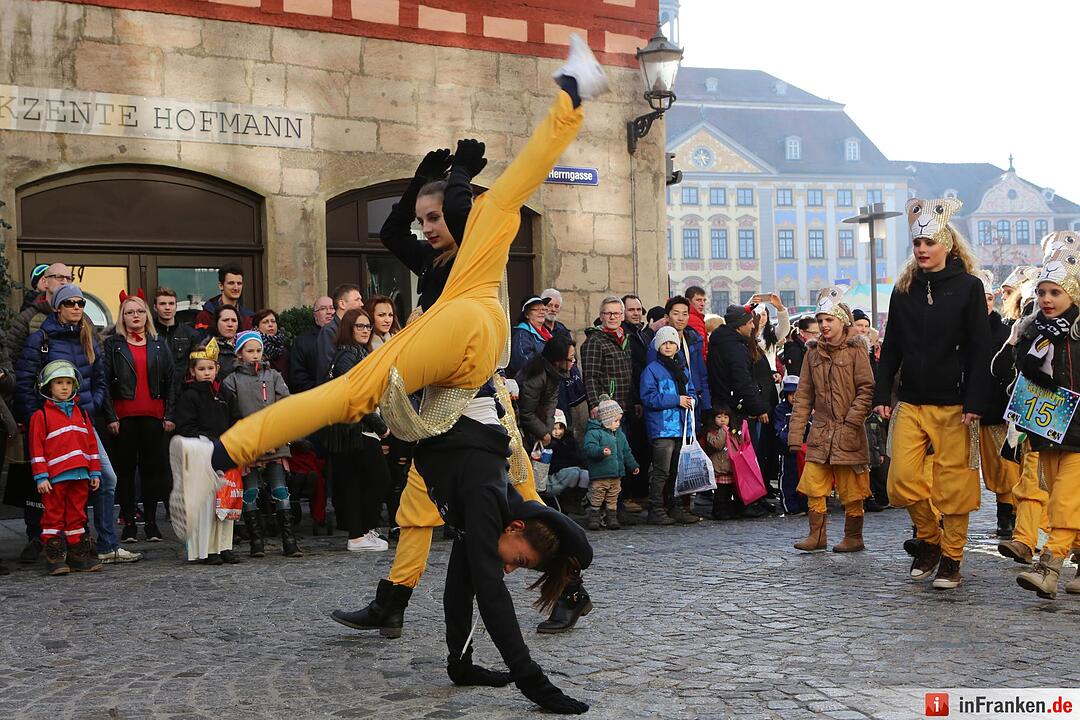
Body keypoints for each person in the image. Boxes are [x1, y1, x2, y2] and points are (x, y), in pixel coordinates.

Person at [178, 45, 604, 710]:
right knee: (363, 409)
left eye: (437, 218)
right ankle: (242, 462)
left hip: (467, 376)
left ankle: (231, 452)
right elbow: (482, 580)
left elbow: (524, 169)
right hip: (464, 361)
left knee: (358, 400)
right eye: (521, 559)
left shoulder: (483, 233)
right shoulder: (474, 245)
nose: (429, 228)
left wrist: (567, 101)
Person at [873, 198, 991, 590]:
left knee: (954, 487)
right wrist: (882, 394)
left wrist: (975, 401)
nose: (922, 249)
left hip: (956, 404)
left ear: (948, 246)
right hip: (911, 399)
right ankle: (930, 538)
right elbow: (891, 346)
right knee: (900, 481)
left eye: (929, 242)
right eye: (917, 243)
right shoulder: (904, 289)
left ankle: (952, 558)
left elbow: (980, 348)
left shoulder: (969, 288)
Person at [15, 284, 124, 564]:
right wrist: (37, 419)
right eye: (71, 303)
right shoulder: (41, 338)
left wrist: (92, 406)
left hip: (82, 421)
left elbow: (100, 378)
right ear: (58, 307)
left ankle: (104, 542)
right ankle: (57, 547)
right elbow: (25, 383)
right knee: (53, 490)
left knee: (106, 478)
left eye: (81, 303)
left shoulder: (89, 335)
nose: (77, 308)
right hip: (51, 425)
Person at [1008, 246, 1080, 599]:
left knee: (1067, 499)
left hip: (1079, 429)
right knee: (1059, 498)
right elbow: (1024, 372)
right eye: (1041, 292)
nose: (1047, 299)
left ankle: (1048, 568)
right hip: (1048, 430)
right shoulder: (1031, 330)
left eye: (1055, 292)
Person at [787, 293, 875, 553]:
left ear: (842, 321)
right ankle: (817, 535)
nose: (824, 325)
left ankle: (853, 536)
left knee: (852, 489)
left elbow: (866, 389)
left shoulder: (857, 350)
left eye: (829, 319)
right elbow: (803, 396)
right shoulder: (812, 354)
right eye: (821, 320)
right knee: (814, 483)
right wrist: (795, 436)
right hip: (821, 432)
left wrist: (851, 421)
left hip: (849, 431)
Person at [104, 292, 175, 543]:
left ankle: (152, 522)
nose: (135, 316)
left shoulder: (158, 343)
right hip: (123, 417)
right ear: (122, 317)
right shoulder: (113, 344)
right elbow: (104, 383)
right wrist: (110, 415)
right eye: (130, 312)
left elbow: (171, 381)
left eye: (140, 311)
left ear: (147, 315)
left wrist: (169, 414)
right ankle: (129, 523)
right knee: (125, 472)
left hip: (154, 415)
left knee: (151, 471)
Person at [222, 330, 300, 558]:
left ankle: (289, 540)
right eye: (250, 351)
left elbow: (284, 404)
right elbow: (233, 415)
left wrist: (274, 436)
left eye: (258, 350)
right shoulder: (231, 380)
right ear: (239, 354)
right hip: (249, 445)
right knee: (251, 491)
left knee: (279, 489)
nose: (255, 355)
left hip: (275, 442)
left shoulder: (273, 375)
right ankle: (256, 541)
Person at [326, 308, 392, 552]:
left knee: (356, 483)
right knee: (379, 479)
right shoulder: (347, 357)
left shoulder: (356, 354)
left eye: (367, 326)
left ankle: (358, 535)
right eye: (360, 326)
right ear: (349, 329)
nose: (365, 330)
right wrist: (380, 426)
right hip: (356, 428)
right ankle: (362, 531)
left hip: (354, 428)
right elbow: (354, 397)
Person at [170, 338, 240, 565]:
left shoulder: (225, 393)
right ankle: (206, 549)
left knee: (225, 502)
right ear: (193, 371)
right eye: (202, 369)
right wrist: (209, 442)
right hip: (203, 456)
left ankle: (224, 546)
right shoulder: (189, 396)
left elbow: (235, 420)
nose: (207, 373)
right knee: (206, 505)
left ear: (218, 368)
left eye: (210, 368)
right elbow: (186, 427)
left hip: (225, 454)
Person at [30, 360, 102, 575]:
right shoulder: (40, 416)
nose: (64, 387)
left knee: (77, 515)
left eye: (68, 382)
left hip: (80, 475)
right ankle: (54, 555)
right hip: (54, 478)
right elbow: (36, 449)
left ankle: (76, 553)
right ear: (47, 387)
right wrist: (41, 476)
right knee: (53, 515)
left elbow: (91, 445)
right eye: (58, 382)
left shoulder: (82, 414)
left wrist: (95, 471)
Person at [707, 303, 771, 518]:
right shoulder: (735, 347)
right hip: (734, 408)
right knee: (740, 458)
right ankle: (743, 501)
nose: (752, 326)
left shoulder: (722, 341)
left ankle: (737, 502)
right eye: (749, 323)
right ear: (740, 326)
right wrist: (759, 407)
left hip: (725, 403)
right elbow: (742, 382)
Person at [973, 270, 1018, 539]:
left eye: (988, 298)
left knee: (1003, 469)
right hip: (959, 409)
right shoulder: (957, 331)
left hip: (994, 410)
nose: (984, 303)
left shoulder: (1004, 331)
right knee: (957, 469)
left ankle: (1006, 515)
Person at [640, 326, 696, 525]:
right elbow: (649, 398)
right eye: (664, 343)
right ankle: (656, 508)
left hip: (681, 427)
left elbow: (692, 390)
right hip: (662, 427)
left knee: (676, 470)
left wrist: (692, 400)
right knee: (661, 470)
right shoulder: (651, 370)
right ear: (658, 346)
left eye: (672, 343)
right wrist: (677, 400)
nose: (668, 346)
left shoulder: (682, 369)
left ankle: (674, 506)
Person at [582, 395, 638, 530]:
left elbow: (626, 451)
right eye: (616, 421)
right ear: (606, 420)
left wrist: (633, 465)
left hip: (616, 474)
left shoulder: (619, 434)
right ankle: (594, 517)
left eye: (619, 421)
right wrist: (601, 451)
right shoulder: (594, 433)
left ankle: (611, 517)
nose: (618, 424)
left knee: (613, 497)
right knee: (597, 496)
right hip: (600, 474)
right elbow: (589, 448)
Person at [620, 293, 652, 512]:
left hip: (644, 395)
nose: (636, 313)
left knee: (642, 450)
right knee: (629, 449)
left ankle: (640, 494)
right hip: (630, 399)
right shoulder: (625, 335)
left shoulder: (641, 334)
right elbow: (629, 370)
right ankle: (628, 495)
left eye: (638, 309)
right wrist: (634, 400)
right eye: (631, 310)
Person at [516, 335, 575, 450]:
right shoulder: (536, 377)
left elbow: (551, 403)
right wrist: (544, 433)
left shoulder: (555, 373)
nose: (574, 361)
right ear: (558, 361)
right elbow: (526, 413)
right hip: (523, 427)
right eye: (571, 358)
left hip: (538, 421)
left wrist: (547, 431)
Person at [152, 287, 201, 392]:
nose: (167, 307)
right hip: (155, 392)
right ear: (155, 307)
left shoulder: (191, 334)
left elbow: (196, 366)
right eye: (162, 304)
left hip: (182, 392)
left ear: (176, 306)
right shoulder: (148, 333)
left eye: (171, 303)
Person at [316, 283, 363, 383]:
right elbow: (328, 367)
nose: (361, 304)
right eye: (357, 300)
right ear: (342, 304)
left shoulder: (356, 328)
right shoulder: (329, 331)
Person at [774, 375, 807, 516]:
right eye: (791, 394)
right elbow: (780, 430)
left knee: (803, 478)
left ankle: (803, 504)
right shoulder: (781, 410)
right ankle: (790, 507)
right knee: (788, 478)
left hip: (803, 451)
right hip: (787, 451)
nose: (794, 398)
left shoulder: (805, 409)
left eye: (796, 394)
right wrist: (791, 440)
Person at [288, 296, 334, 393]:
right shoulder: (302, 342)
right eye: (323, 308)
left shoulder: (345, 336)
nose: (329, 312)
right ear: (315, 316)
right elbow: (298, 377)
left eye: (332, 308)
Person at [193, 263, 253, 332]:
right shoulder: (205, 316)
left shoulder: (249, 318)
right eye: (231, 283)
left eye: (239, 283)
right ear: (221, 286)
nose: (236, 288)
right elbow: (201, 341)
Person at [546, 409, 588, 500]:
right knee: (574, 473)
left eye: (560, 428)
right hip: (557, 473)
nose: (557, 432)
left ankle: (577, 499)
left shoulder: (570, 441)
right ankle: (566, 498)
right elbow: (552, 465)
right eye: (554, 429)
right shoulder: (550, 444)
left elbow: (579, 456)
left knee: (585, 474)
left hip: (571, 469)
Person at [508, 295, 551, 378]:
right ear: (527, 315)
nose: (541, 312)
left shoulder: (548, 334)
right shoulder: (521, 334)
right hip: (529, 384)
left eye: (543, 309)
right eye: (536, 310)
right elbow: (523, 362)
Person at [705, 407, 736, 520]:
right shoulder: (711, 433)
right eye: (719, 417)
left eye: (725, 417)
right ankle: (718, 512)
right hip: (719, 468)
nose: (722, 420)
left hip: (730, 468)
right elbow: (718, 444)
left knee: (728, 493)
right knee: (720, 494)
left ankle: (728, 510)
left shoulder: (733, 431)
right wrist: (723, 431)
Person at [252, 308, 290, 377]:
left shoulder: (285, 351)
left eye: (273, 321)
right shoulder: (253, 349)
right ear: (256, 327)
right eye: (265, 322)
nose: (270, 325)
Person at [208, 304, 240, 379]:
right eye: (225, 320)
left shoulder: (247, 345)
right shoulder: (208, 347)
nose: (230, 324)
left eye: (234, 320)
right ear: (216, 323)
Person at [684, 285, 709, 360]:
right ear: (688, 301)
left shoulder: (696, 317)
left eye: (704, 300)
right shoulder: (693, 319)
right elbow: (700, 346)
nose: (702, 304)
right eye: (698, 300)